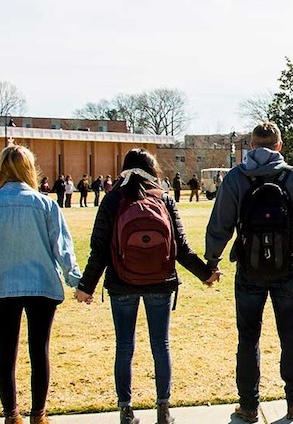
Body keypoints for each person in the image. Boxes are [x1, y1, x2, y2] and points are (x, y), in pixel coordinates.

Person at [76, 149, 218, 424]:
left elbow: (100, 250)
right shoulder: (163, 198)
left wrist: (86, 286)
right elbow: (181, 248)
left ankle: (126, 409)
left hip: (121, 282)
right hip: (160, 282)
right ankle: (163, 410)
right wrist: (206, 274)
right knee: (160, 345)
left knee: (124, 346)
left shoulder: (113, 199)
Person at [204, 122, 293, 422]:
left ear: (252, 147)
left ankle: (248, 405)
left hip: (248, 268)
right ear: (279, 146)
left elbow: (221, 224)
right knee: (289, 336)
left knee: (248, 338)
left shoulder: (235, 177)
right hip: (286, 268)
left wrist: (212, 260)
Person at [0, 145, 82, 424]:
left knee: (6, 352)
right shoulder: (45, 204)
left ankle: (11, 414)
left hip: (3, 284)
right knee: (39, 350)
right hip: (41, 284)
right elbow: (62, 247)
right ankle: (38, 414)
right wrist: (75, 280)